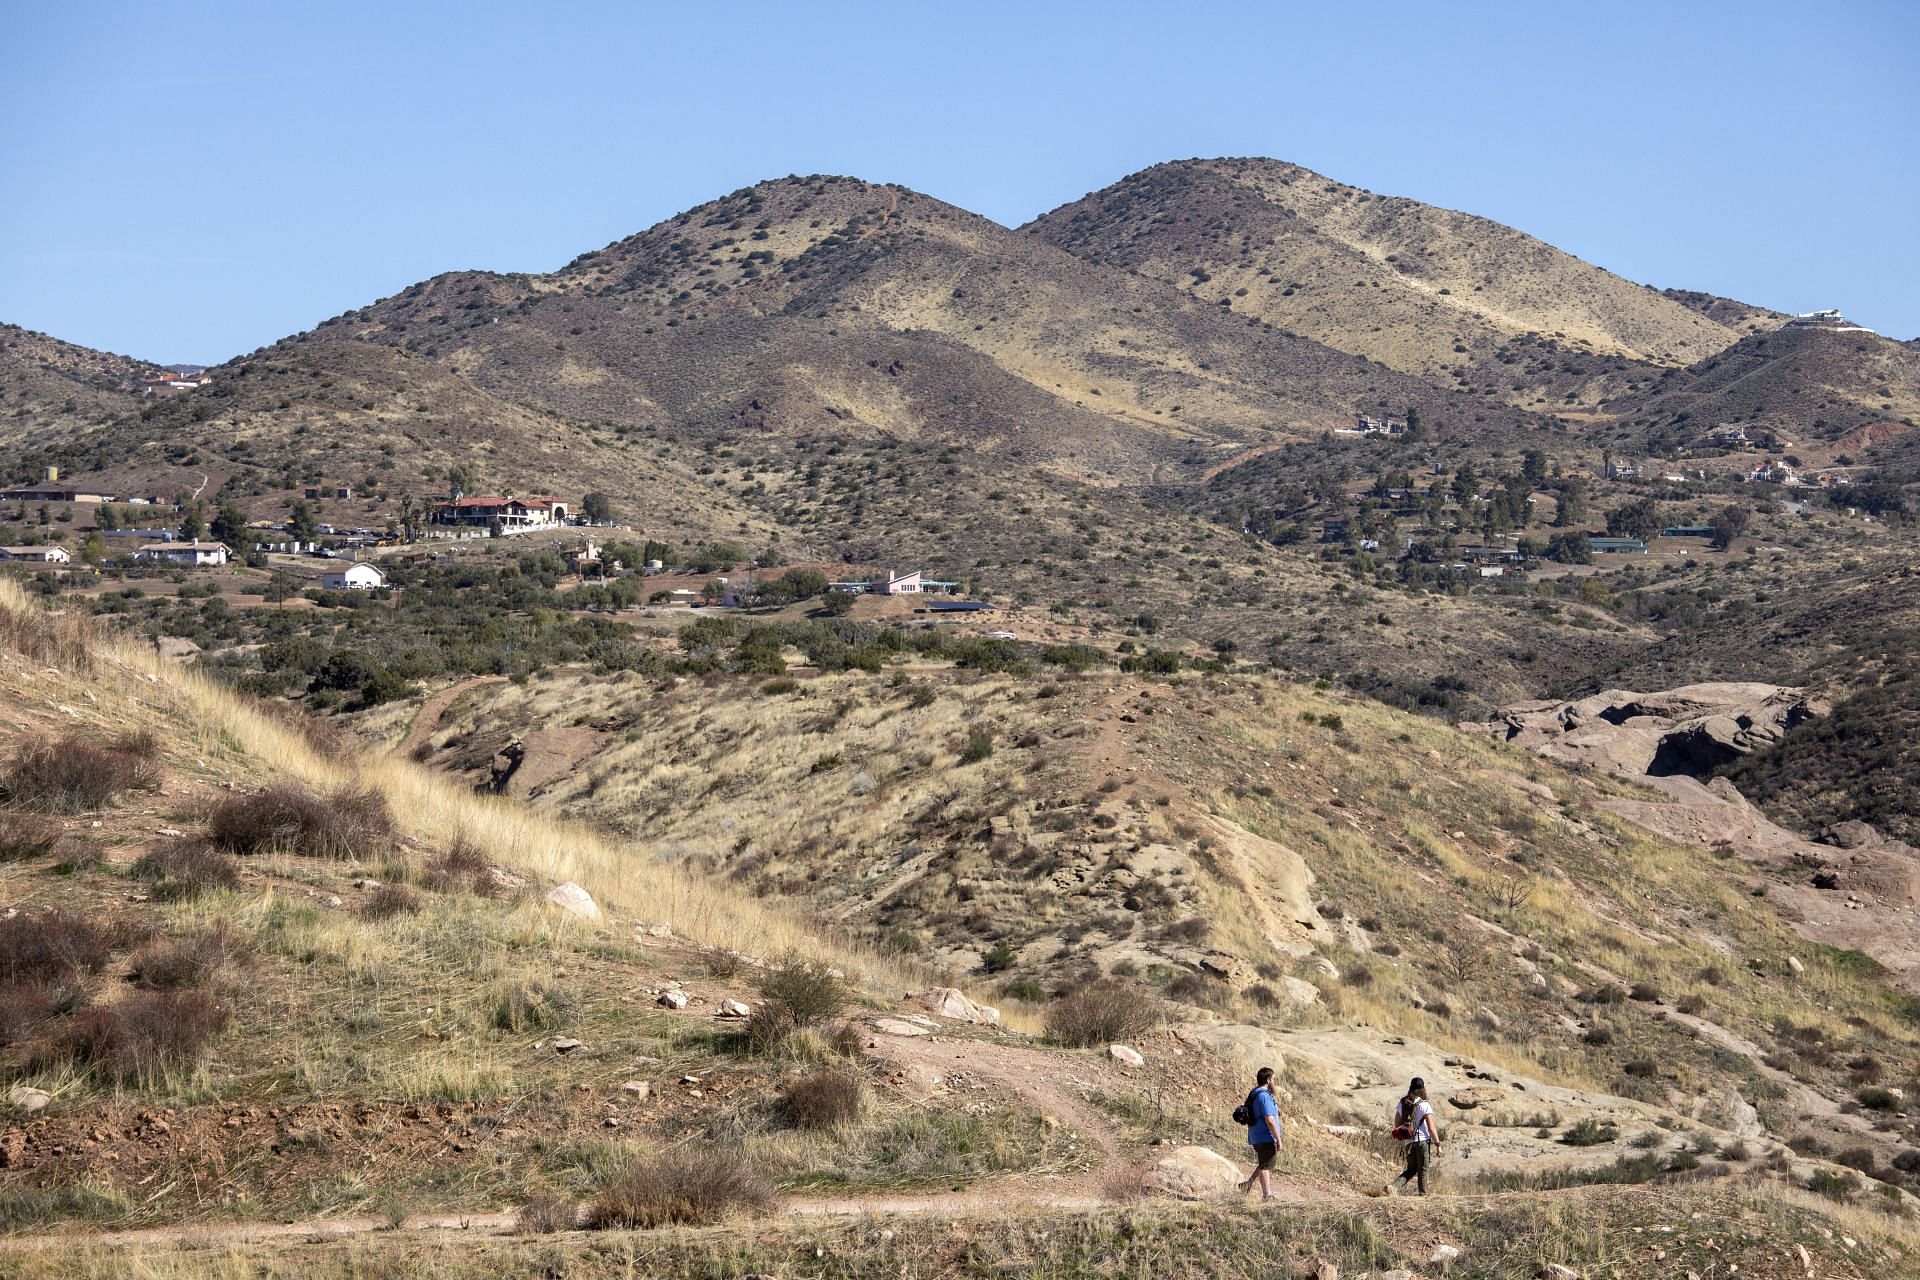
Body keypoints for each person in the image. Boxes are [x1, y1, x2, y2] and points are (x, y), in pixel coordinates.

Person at [1387, 1076, 1441, 1195]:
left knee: (1411, 1169)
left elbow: (1397, 1122)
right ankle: (1423, 1194)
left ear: (1411, 1088)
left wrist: (1405, 1136)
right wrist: (1438, 1144)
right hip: (1422, 1141)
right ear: (1422, 1089)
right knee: (1423, 1168)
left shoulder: (1403, 1102)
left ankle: (1393, 1187)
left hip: (1408, 1141)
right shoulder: (1424, 1104)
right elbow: (1431, 1127)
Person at [1237, 1066, 1284, 1199]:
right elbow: (1269, 1120)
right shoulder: (1264, 1096)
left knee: (1264, 1162)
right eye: (1273, 1079)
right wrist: (1278, 1139)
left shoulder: (1254, 1093)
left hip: (1256, 1135)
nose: (1274, 1082)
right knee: (1265, 1167)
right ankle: (1266, 1196)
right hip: (1265, 1136)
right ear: (1268, 1080)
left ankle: (1247, 1184)